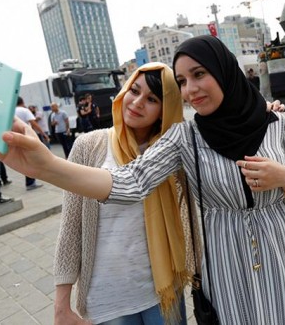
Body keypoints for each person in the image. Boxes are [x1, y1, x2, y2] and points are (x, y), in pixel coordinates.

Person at [0, 35, 285, 324]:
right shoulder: (185, 137)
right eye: (183, 80)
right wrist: (46, 166)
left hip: (284, 249)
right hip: (226, 262)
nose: (192, 89)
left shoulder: (275, 122)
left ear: (223, 70)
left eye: (199, 74)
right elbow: (129, 182)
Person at [54, 63, 188, 325]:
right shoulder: (89, 145)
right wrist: (62, 305)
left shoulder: (173, 153)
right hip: (108, 298)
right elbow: (70, 226)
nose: (137, 103)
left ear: (165, 109)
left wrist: (260, 112)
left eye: (151, 99)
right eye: (134, 90)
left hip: (163, 291)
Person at [15, 97, 46, 191]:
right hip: (26, 137)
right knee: (31, 159)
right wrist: (43, 133)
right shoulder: (24, 110)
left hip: (16, 138)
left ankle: (29, 181)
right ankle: (31, 182)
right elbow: (34, 123)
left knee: (25, 160)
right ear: (23, 102)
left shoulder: (12, 111)